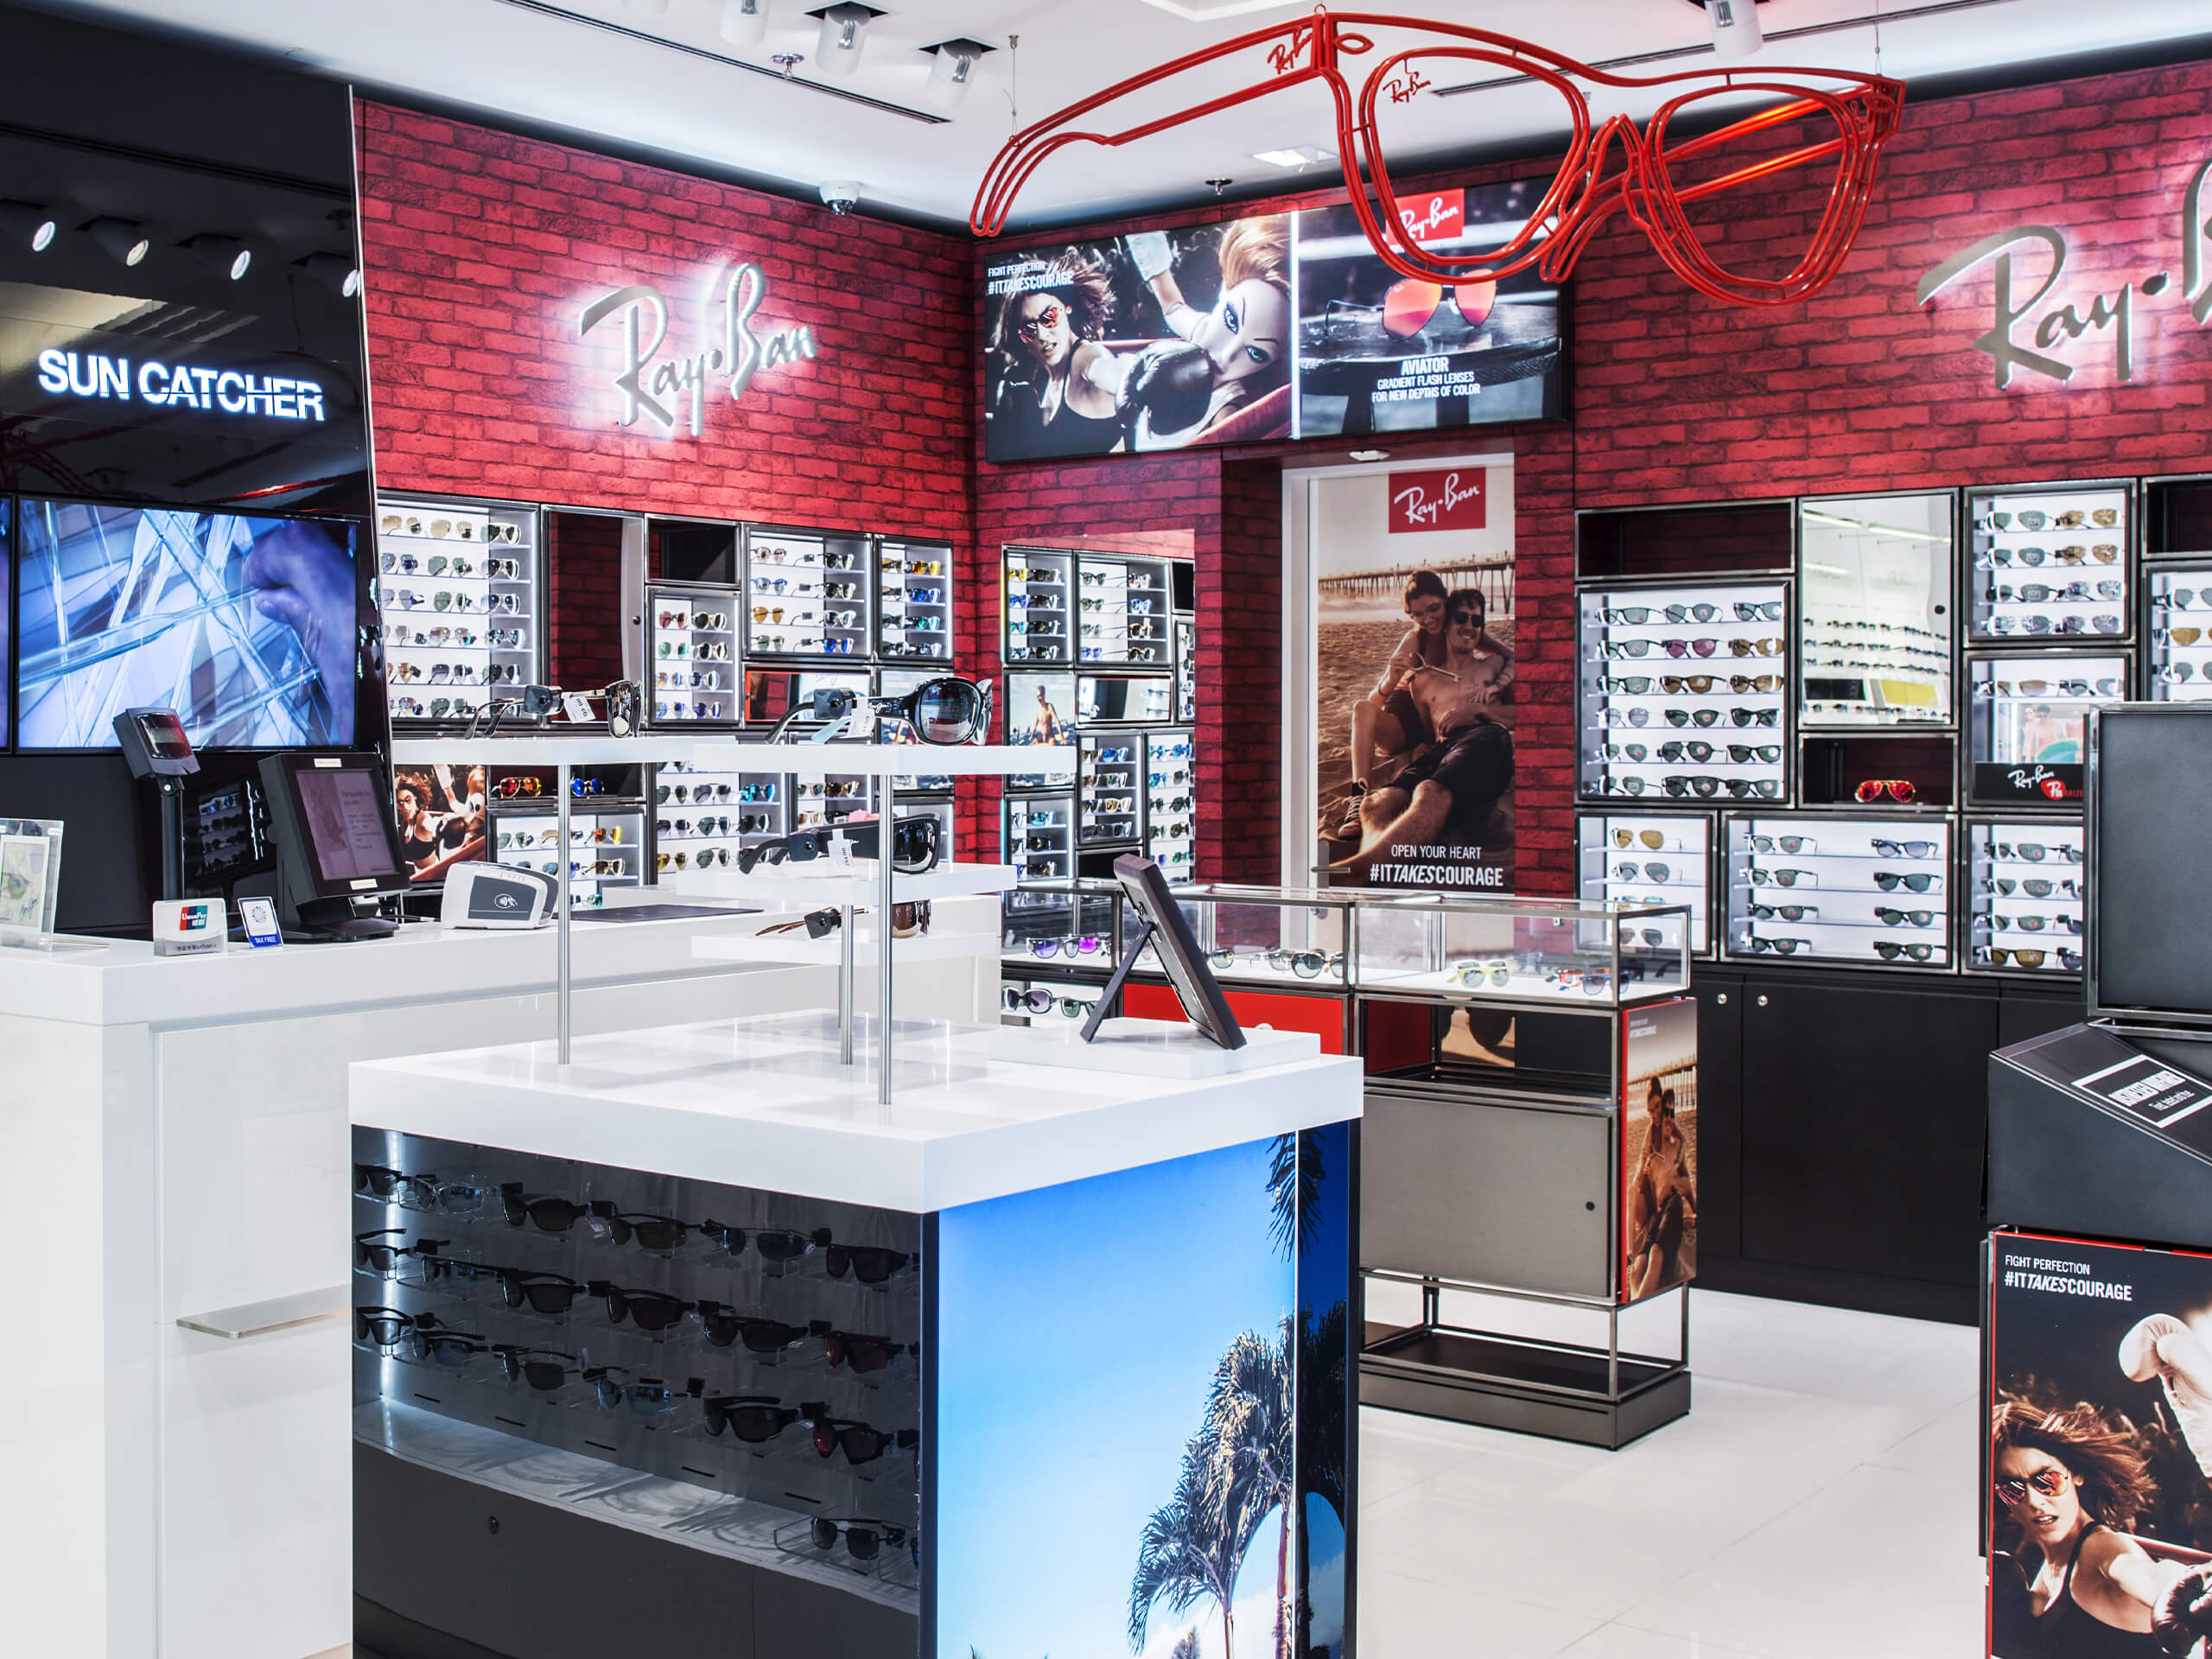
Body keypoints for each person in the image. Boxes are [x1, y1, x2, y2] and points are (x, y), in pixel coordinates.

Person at [1988, 1394, 2188, 1656]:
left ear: (2077, 1475)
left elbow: (2144, 1574)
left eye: (2047, 1480)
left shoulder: (2101, 1548)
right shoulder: (2046, 1570)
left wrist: (2188, 1587)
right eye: (2012, 1490)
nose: (2035, 1501)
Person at [1339, 587, 1513, 874]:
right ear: (1447, 624)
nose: (1469, 626)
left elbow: (1526, 714)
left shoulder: (1494, 665)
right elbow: (1429, 732)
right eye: (1461, 618)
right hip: (1443, 748)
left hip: (1483, 736)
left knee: (1429, 791)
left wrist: (1479, 710)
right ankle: (1376, 872)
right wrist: (1425, 745)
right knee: (1375, 805)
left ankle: (1358, 875)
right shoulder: (1421, 679)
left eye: (1477, 620)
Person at [1121, 218, 1293, 448]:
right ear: (1223, 297)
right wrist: (1140, 226)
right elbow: (1172, 306)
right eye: (1231, 319)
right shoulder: (1202, 330)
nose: (1227, 355)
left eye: (1256, 353)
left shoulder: (1229, 411)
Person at [988, 255, 1124, 460]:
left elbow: (1108, 371)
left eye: (1049, 317)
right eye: (1029, 328)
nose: (1042, 335)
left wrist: (1132, 375)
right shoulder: (1043, 379)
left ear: (1067, 306)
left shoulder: (1086, 357)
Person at [1624, 1083, 1696, 1300]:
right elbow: (1642, 1162)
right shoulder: (1650, 1134)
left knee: (1652, 1255)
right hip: (1654, 1209)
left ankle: (1638, 1299)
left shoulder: (1678, 1142)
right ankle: (1630, 1252)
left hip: (1667, 1205)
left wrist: (1694, 1211)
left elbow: (1686, 1182)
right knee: (1643, 1259)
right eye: (1651, 1110)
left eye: (1659, 1109)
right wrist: (1642, 1175)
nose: (1655, 1115)